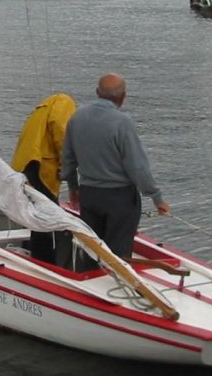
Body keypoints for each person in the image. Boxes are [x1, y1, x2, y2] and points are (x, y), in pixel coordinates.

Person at [61, 73, 170, 266]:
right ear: (123, 96)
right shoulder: (122, 122)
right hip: (119, 199)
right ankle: (114, 288)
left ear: (97, 92)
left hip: (89, 195)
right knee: (118, 255)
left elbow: (68, 159)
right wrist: (156, 197)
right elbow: (137, 166)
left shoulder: (77, 117)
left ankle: (89, 282)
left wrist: (73, 188)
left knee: (92, 249)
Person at [11, 93, 77, 265]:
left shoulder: (43, 107)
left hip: (26, 161)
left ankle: (38, 254)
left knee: (38, 212)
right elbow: (61, 133)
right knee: (48, 214)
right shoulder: (65, 102)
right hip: (41, 164)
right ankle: (47, 261)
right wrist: (67, 166)